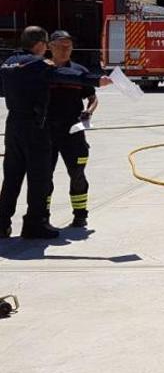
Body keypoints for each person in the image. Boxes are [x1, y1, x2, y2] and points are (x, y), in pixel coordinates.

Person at [0, 26, 111, 239]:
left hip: (13, 125)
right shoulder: (36, 64)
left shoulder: (8, 63)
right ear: (43, 44)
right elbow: (61, 75)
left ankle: (2, 222)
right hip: (36, 127)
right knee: (40, 177)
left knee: (12, 177)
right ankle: (35, 224)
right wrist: (97, 80)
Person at [45, 30, 99, 228]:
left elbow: (93, 98)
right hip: (46, 133)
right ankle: (43, 217)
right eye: (60, 45)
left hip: (73, 132)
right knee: (43, 176)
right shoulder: (40, 70)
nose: (65, 49)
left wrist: (89, 112)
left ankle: (80, 215)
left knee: (77, 173)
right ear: (50, 47)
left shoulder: (79, 71)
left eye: (68, 46)